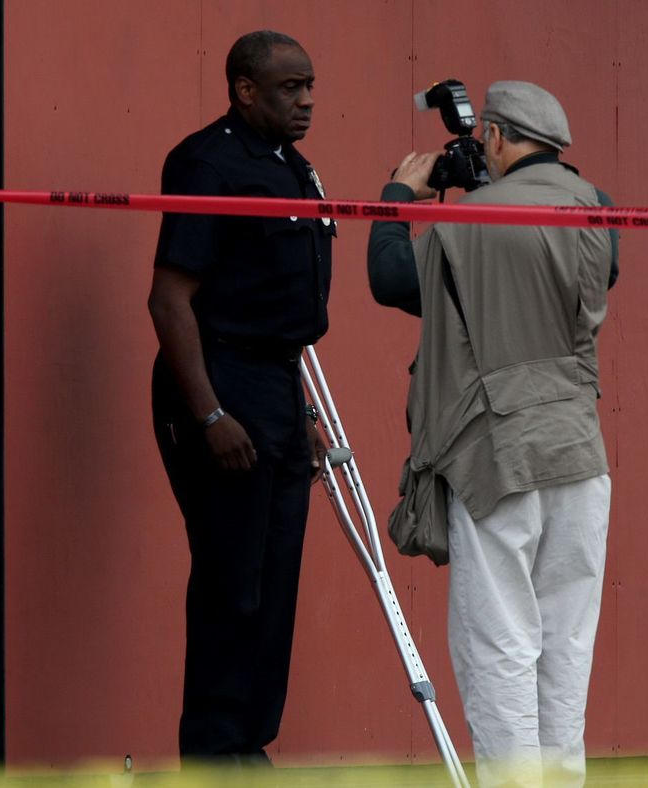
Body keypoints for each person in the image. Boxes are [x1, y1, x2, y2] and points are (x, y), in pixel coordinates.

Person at [367, 80, 617, 786]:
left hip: (496, 453)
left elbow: (390, 279)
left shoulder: (467, 221)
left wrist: (398, 198)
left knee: (500, 641)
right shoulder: (599, 209)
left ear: (498, 138)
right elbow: (609, 269)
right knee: (567, 642)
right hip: (578, 447)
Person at [147, 30, 332, 764]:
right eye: (291, 87)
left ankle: (250, 746)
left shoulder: (294, 168)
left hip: (281, 384)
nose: (308, 100)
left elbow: (285, 309)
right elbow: (168, 301)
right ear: (245, 88)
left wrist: (304, 412)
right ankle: (216, 755)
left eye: (311, 85)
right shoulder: (208, 162)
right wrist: (210, 413)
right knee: (232, 584)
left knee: (275, 581)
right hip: (222, 382)